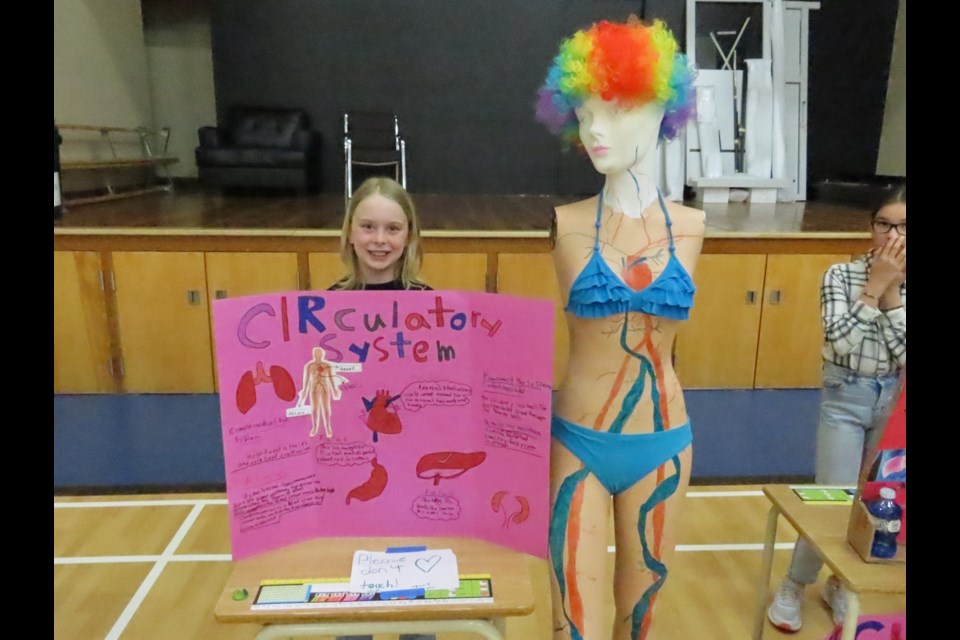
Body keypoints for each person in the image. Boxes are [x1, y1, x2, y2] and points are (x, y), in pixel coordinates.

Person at [535, 17, 701, 640]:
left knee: (641, 619)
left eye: (616, 109)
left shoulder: (692, 226)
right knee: (573, 620)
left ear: (663, 108)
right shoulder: (566, 222)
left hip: (663, 441)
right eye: (583, 115)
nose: (595, 131)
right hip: (579, 439)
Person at [767, 186, 906, 632]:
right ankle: (794, 582)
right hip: (845, 397)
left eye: (903, 227)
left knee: (874, 500)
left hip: (893, 400)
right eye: (883, 224)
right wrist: (874, 289)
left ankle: (840, 584)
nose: (891, 235)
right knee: (833, 496)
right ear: (871, 227)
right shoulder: (840, 275)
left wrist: (892, 300)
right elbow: (838, 344)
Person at [328, 175, 432, 640]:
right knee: (352, 611)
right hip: (348, 475)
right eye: (368, 227)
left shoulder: (431, 306)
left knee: (415, 615)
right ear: (350, 231)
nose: (379, 240)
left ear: (409, 235)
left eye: (392, 229)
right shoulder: (325, 305)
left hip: (410, 478)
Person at [295, 346, 346, 438]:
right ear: (314, 355)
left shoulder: (327, 365)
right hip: (314, 389)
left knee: (326, 408)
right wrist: (304, 392)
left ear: (322, 354)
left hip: (325, 388)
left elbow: (331, 378)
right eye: (316, 354)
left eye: (319, 353)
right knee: (315, 409)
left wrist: (334, 390)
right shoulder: (309, 366)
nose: (318, 355)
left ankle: (328, 427)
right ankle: (314, 427)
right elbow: (306, 380)